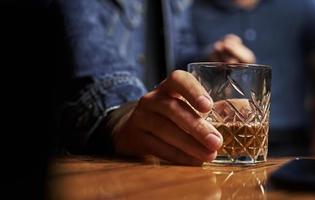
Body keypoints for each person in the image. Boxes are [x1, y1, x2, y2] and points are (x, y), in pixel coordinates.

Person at [54, 0, 257, 165]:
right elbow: (83, 42)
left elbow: (175, 56)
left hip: (157, 162)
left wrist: (211, 63)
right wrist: (124, 115)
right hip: (84, 164)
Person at [188, 0, 315, 156]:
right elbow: (185, 72)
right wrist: (213, 60)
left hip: (292, 145)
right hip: (220, 144)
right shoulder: (193, 10)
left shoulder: (303, 4)